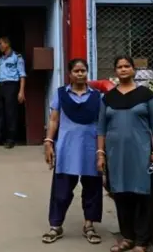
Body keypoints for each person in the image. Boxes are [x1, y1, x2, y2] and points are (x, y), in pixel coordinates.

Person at [97, 56, 153, 252]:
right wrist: (100, 154)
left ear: (133, 70)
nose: (123, 69)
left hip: (142, 154)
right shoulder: (108, 98)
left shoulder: (146, 96)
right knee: (121, 194)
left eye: (127, 66)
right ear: (115, 71)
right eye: (119, 67)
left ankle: (142, 242)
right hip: (116, 156)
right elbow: (100, 128)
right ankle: (127, 237)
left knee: (143, 196)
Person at [42, 58, 103, 245]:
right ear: (70, 74)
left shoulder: (97, 97)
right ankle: (55, 226)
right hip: (66, 149)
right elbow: (54, 120)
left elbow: (102, 125)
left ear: (87, 72)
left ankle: (89, 225)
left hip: (90, 149)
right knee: (61, 191)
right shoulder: (61, 94)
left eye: (83, 70)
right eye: (76, 71)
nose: (80, 74)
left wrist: (102, 151)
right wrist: (49, 142)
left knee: (92, 190)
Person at [0, 36, 26, 149]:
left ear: (7, 44)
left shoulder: (17, 57)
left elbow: (22, 75)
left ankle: (10, 139)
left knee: (10, 113)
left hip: (11, 85)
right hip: (0, 86)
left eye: (0, 43)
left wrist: (21, 91)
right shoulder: (1, 59)